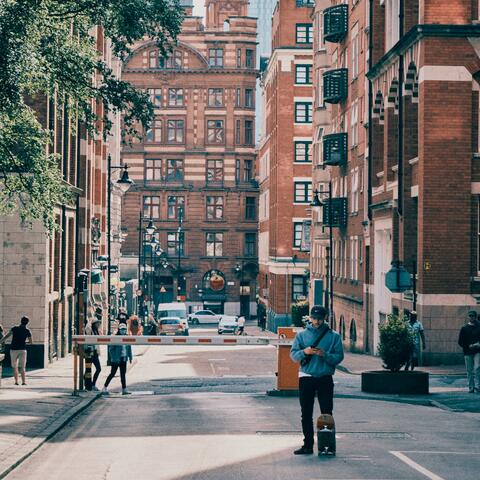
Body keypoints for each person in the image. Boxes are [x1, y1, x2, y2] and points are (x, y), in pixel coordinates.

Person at [290, 306, 344, 455]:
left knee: (326, 413)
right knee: (306, 413)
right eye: (314, 318)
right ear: (310, 318)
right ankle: (307, 445)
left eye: (320, 318)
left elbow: (339, 357)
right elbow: (293, 356)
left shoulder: (334, 336)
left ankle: (327, 445)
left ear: (325, 317)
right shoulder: (301, 336)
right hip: (306, 377)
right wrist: (304, 352)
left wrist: (325, 355)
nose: (317, 321)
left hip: (325, 378)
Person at [0, 316, 32, 386]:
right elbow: (30, 342)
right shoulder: (27, 330)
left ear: (21, 321)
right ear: (27, 323)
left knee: (14, 366)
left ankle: (16, 381)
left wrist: (0, 341)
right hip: (23, 350)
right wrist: (24, 342)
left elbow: (6, 336)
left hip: (13, 349)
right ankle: (23, 382)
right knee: (23, 367)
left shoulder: (14, 328)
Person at [102, 323, 133, 395]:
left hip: (123, 358)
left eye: (124, 329)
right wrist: (114, 358)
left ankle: (124, 389)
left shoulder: (127, 337)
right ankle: (104, 387)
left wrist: (130, 357)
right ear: (119, 330)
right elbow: (111, 349)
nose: (123, 331)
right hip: (116, 359)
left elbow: (129, 348)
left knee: (123, 374)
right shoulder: (115, 338)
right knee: (112, 373)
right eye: (122, 329)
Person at [458, 310, 480, 393]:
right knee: (469, 370)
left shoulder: (479, 327)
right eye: (470, 316)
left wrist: (478, 344)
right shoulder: (464, 328)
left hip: (477, 351)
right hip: (467, 352)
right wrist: (468, 346)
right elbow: (460, 341)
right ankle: (471, 387)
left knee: (477, 368)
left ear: (475, 317)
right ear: (468, 317)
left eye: (473, 316)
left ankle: (478, 387)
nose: (472, 317)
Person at [85, 317, 102, 391]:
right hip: (89, 352)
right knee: (88, 369)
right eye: (97, 323)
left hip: (95, 352)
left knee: (98, 369)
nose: (98, 324)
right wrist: (89, 321)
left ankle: (92, 384)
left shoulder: (96, 331)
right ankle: (88, 384)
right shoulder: (90, 330)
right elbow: (87, 328)